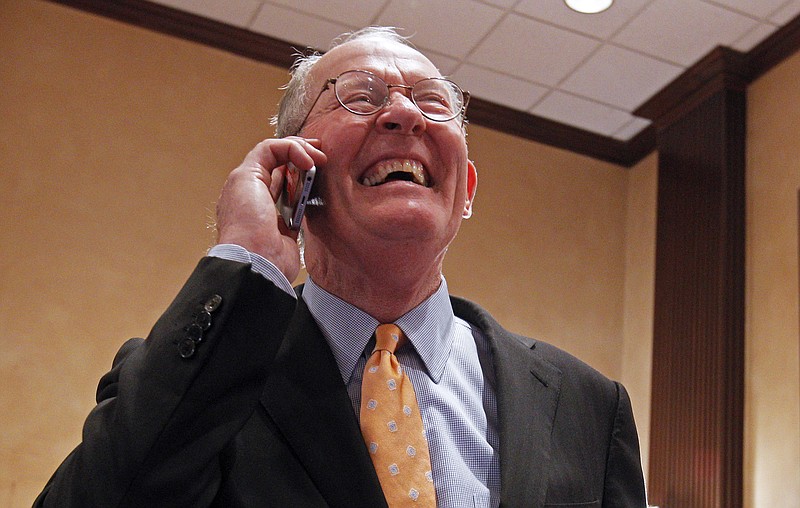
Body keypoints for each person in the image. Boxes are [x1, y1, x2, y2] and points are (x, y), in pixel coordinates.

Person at [34, 27, 646, 507]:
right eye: (361, 96)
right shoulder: (202, 375)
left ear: (466, 191)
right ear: (293, 171)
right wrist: (247, 261)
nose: (405, 115)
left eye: (433, 104)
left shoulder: (590, 403)